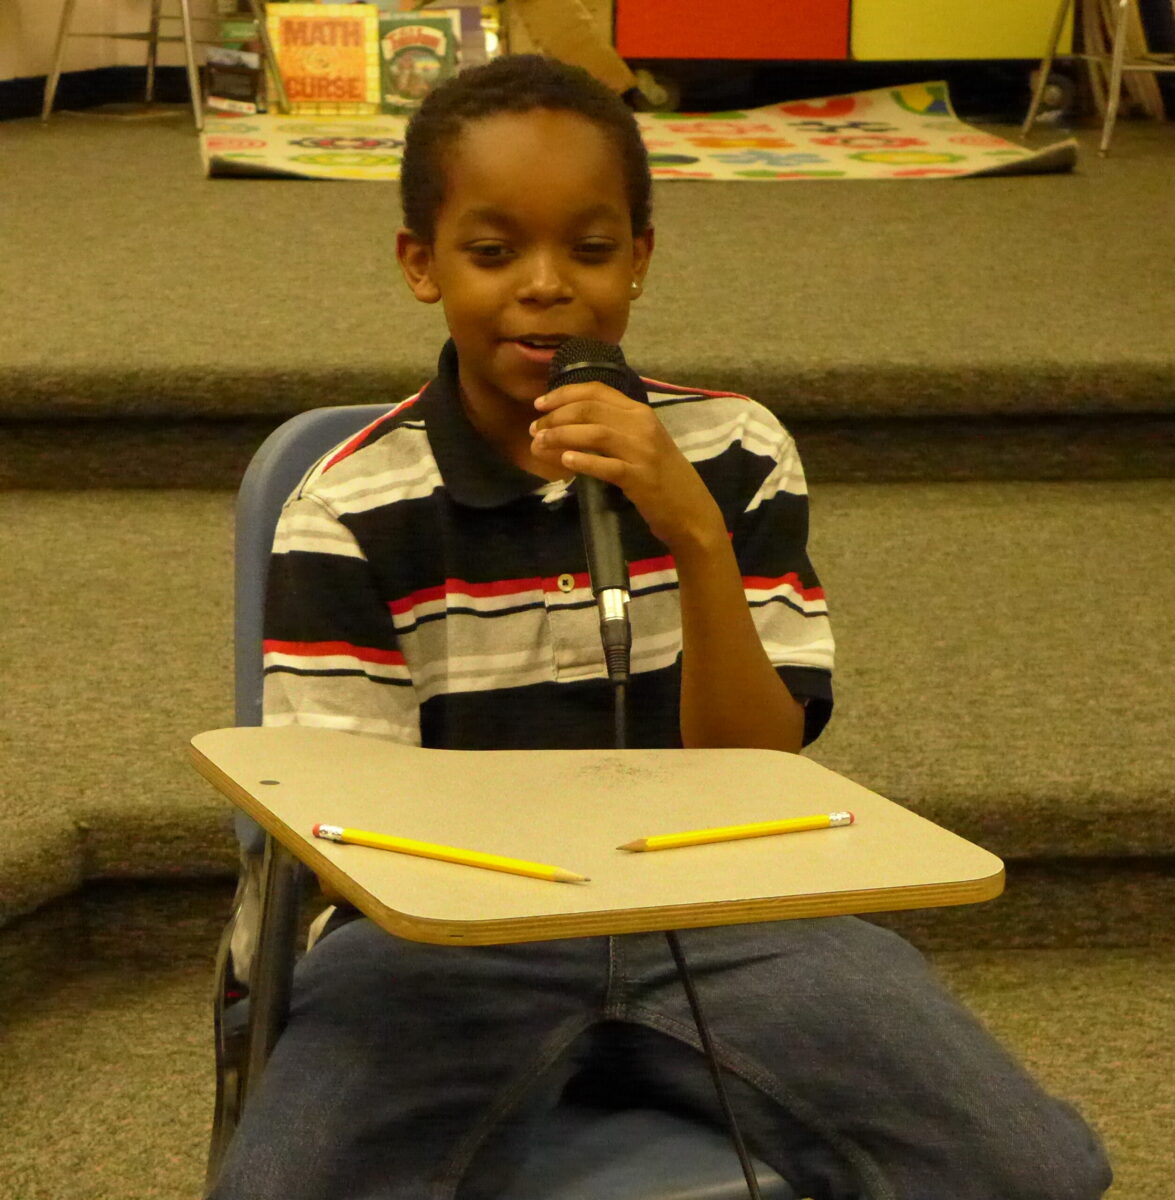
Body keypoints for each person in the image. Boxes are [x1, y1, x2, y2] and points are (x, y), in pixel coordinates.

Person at [212, 54, 1111, 1200]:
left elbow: (756, 767)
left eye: (590, 250)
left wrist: (691, 532)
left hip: (726, 906)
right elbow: (348, 835)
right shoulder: (348, 505)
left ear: (640, 258)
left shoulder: (736, 452)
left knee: (1032, 1169)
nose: (547, 287)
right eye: (493, 253)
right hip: (446, 942)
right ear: (419, 265)